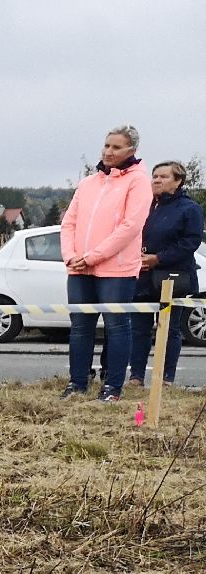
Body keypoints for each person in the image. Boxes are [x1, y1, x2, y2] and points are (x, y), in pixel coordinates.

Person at [61, 126, 152, 402]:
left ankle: (113, 387)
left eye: (116, 147)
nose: (109, 152)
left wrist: (93, 256)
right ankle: (77, 383)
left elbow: (130, 227)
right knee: (80, 327)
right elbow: (69, 222)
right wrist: (70, 256)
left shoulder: (138, 181)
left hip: (116, 270)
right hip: (79, 268)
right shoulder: (88, 183)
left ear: (131, 150)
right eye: (106, 145)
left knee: (116, 326)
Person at [134, 160, 203, 387]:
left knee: (169, 329)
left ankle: (165, 379)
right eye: (155, 176)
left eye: (163, 177)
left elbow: (190, 242)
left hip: (173, 277)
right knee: (139, 329)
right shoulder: (145, 206)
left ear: (178, 181)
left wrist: (158, 258)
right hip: (142, 277)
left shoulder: (189, 209)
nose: (157, 180)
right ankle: (136, 376)